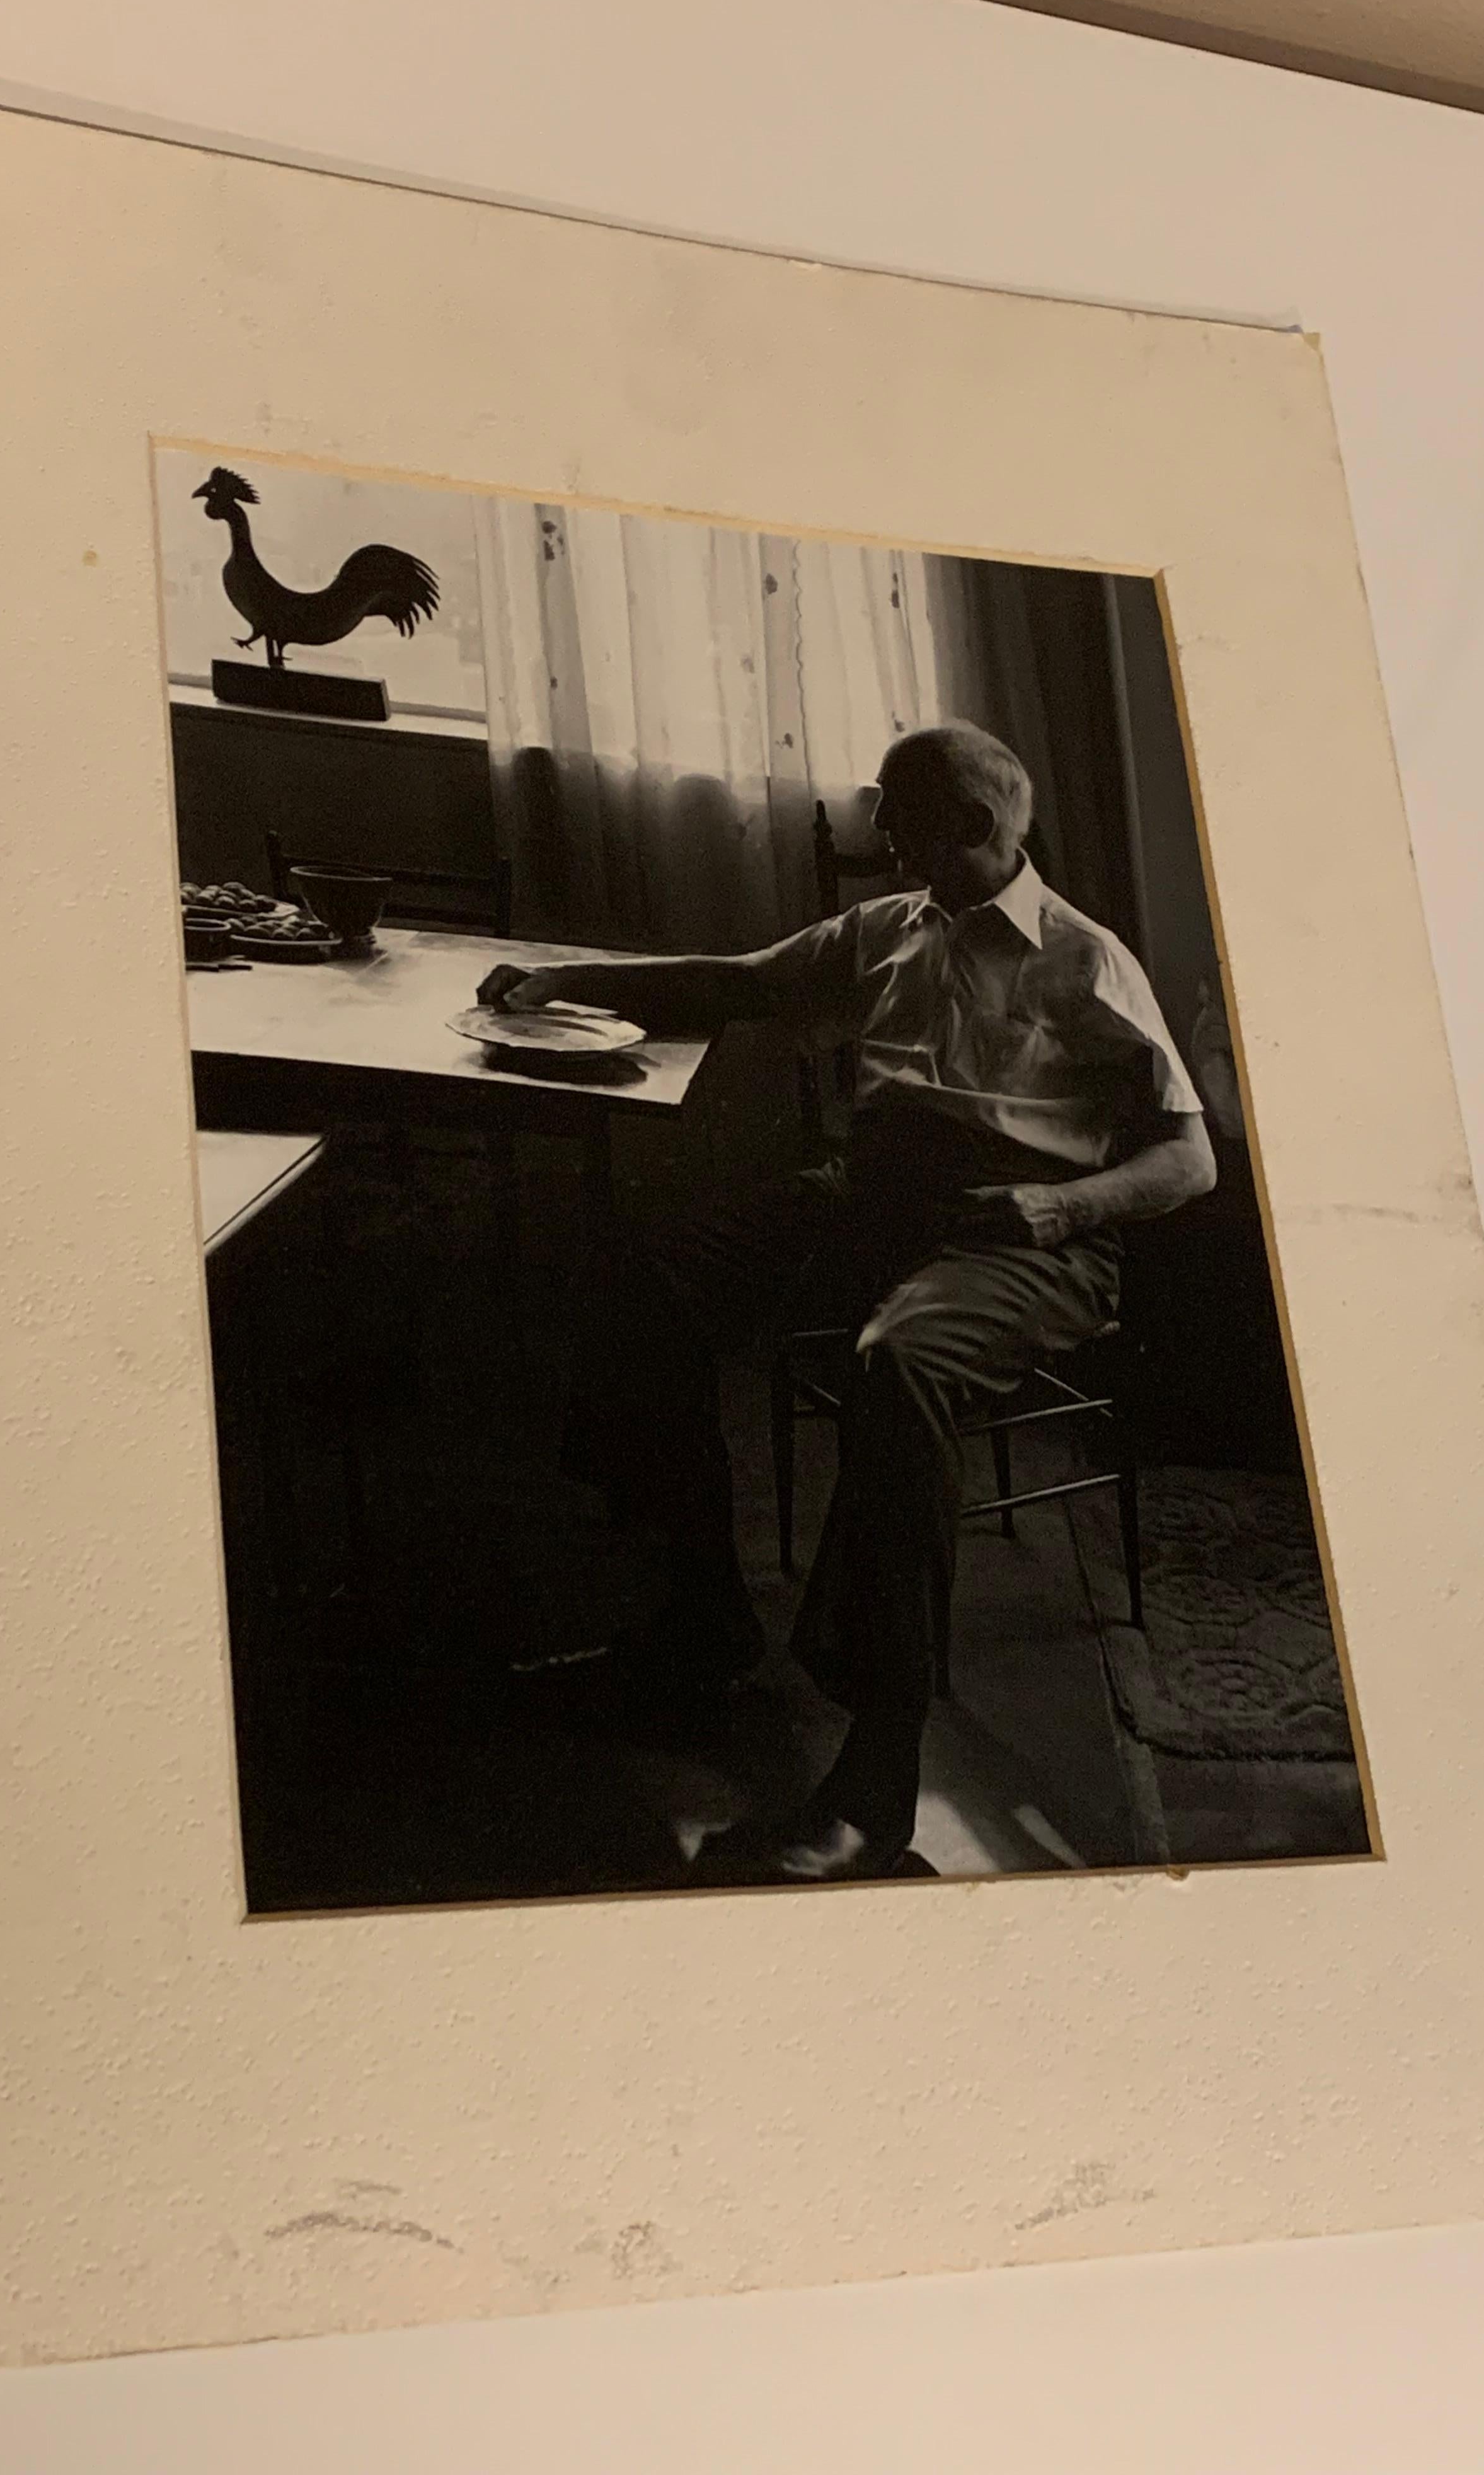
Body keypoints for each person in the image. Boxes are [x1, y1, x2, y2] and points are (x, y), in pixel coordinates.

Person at [477, 721, 1216, 1882]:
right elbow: (738, 984)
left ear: (974, 828)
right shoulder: (888, 928)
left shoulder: (1087, 960)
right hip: (871, 1198)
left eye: (899, 814)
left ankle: (879, 1772)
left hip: (1021, 1227)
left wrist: (1063, 1212)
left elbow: (1190, 1162)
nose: (879, 834)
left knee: (901, 1362)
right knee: (649, 1288)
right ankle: (696, 1625)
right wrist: (562, 980)